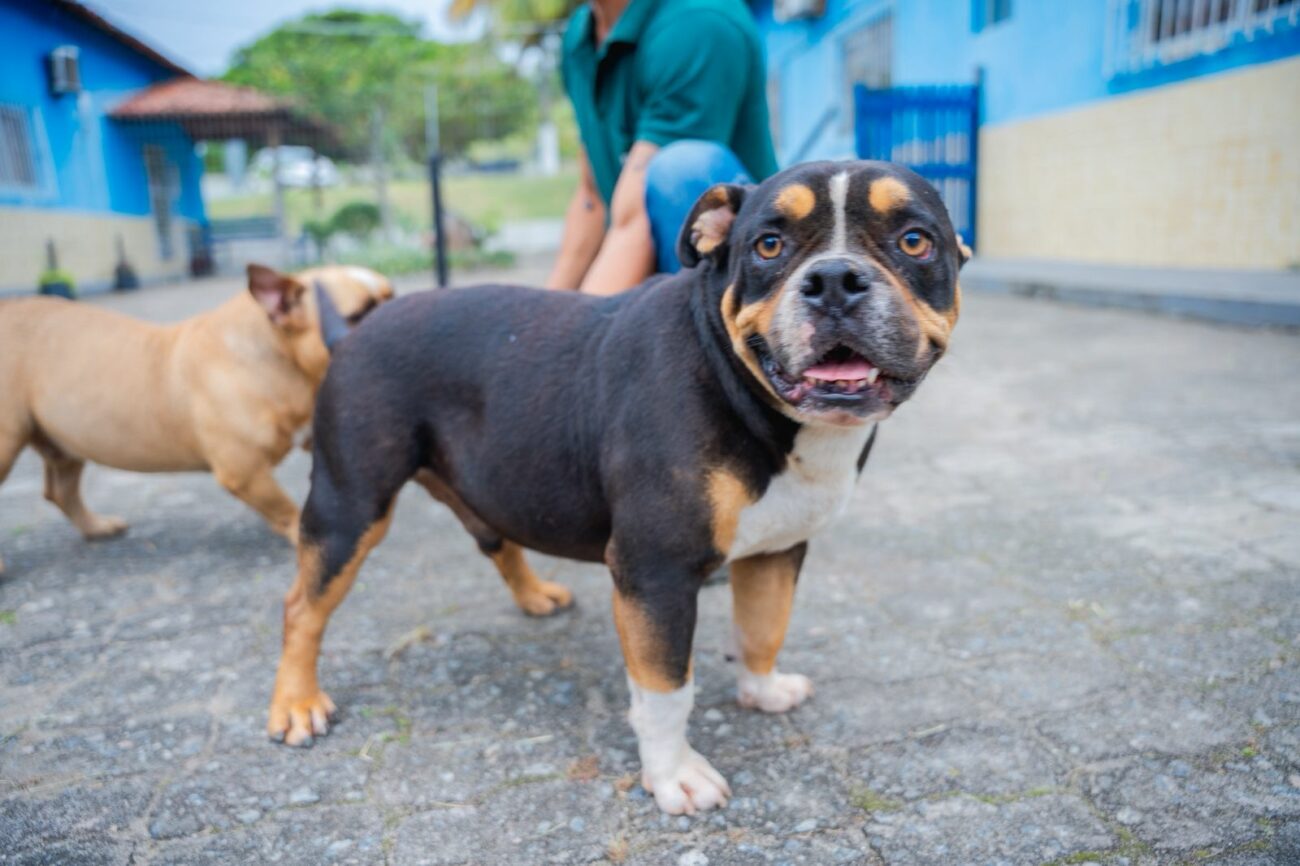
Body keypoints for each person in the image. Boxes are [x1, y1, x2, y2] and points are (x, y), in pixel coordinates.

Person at [546, 0, 779, 294]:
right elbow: (591, 198)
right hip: (637, 256)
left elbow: (635, 218)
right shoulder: (581, 37)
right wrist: (534, 324)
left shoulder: (698, 22)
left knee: (680, 168)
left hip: (736, 270)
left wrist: (574, 338)